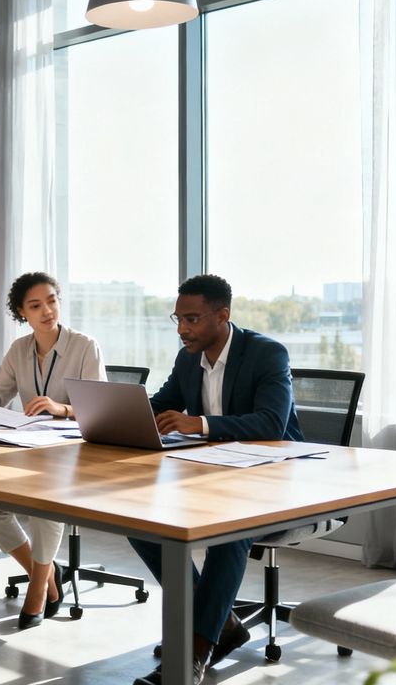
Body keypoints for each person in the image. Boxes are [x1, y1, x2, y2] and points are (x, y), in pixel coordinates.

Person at [129, 274, 302, 685]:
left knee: (232, 531)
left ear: (223, 315)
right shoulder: (188, 358)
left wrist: (200, 424)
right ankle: (221, 625)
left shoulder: (266, 354)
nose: (182, 329)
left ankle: (194, 652)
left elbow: (272, 423)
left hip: (275, 477)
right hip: (213, 474)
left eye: (191, 319)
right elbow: (161, 404)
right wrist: (122, 413)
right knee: (139, 520)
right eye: (177, 318)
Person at [0, 272, 106, 630]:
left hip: (75, 453)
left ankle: (38, 587)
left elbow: (100, 409)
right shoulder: (19, 350)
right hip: (30, 449)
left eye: (52, 300)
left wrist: (62, 408)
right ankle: (49, 573)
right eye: (36, 305)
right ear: (22, 313)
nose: (47, 310)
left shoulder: (84, 346)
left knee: (44, 504)